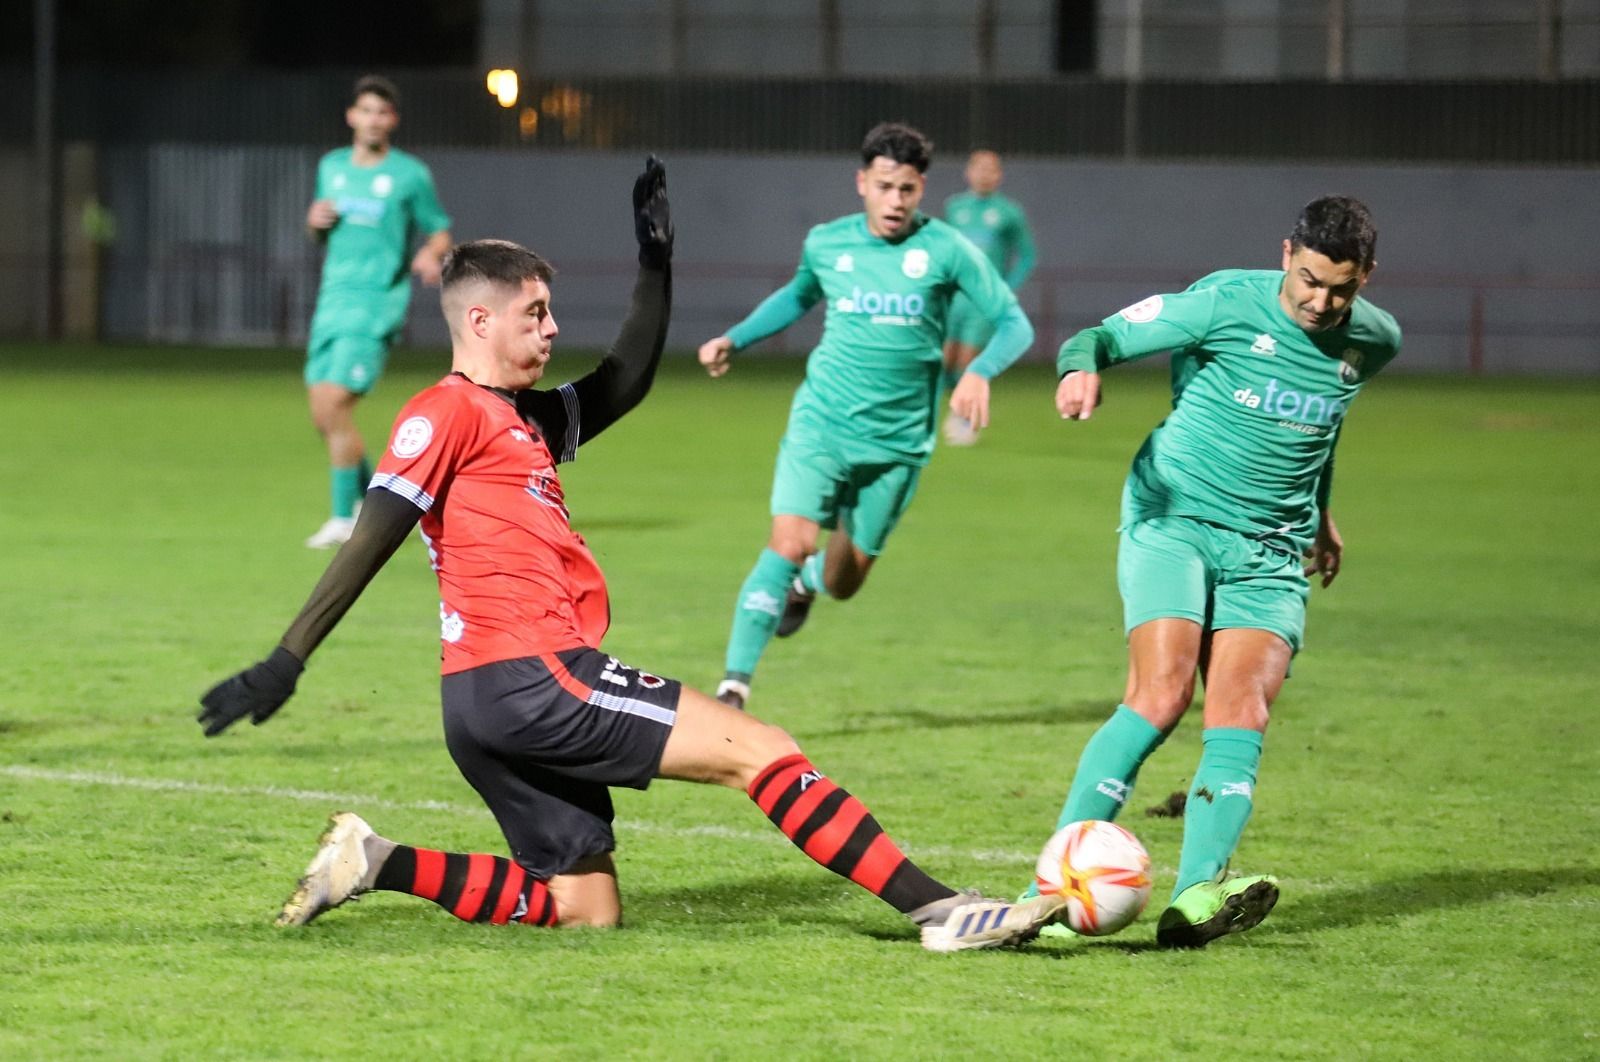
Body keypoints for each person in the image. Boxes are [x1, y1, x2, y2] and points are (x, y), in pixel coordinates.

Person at [197, 159, 1063, 952]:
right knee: (760, 748)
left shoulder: (523, 417)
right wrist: (286, 660)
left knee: (584, 908)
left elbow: (624, 378)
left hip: (483, 701)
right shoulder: (447, 410)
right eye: (535, 314)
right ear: (479, 319)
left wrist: (656, 263)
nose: (551, 328)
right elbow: (373, 535)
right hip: (534, 679)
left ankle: (376, 861)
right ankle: (941, 912)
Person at [1031, 195, 1401, 947]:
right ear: (1286, 254)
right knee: (1162, 695)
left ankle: (1196, 893)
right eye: (1308, 280)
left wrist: (1320, 510)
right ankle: (1051, 894)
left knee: (1242, 711)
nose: (1320, 302)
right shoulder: (1223, 302)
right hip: (1176, 518)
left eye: (1340, 289)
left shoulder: (1374, 340)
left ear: (1366, 276)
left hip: (1272, 548)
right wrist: (1078, 370)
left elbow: (1322, 426)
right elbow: (1099, 336)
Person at [698, 123, 1034, 711]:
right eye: (884, 187)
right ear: (862, 183)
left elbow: (1014, 323)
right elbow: (798, 295)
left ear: (921, 188)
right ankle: (733, 689)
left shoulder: (947, 249)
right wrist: (737, 338)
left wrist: (979, 372)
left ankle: (808, 586)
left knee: (844, 581)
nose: (895, 201)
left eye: (907, 189)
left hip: (897, 446)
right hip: (823, 425)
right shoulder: (828, 242)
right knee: (789, 542)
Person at [302, 75, 453, 549]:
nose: (373, 119)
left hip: (375, 304)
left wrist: (431, 253)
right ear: (352, 116)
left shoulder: (409, 175)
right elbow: (320, 232)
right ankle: (380, 503)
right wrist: (313, 222)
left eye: (381, 112)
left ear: (393, 121)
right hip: (332, 300)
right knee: (323, 415)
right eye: (365, 110)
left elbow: (439, 231)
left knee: (334, 405)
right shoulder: (331, 167)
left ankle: (342, 518)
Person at [940, 150, 1037, 446]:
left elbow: (1027, 255)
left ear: (999, 175)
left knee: (968, 360)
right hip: (955, 296)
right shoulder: (955, 207)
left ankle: (965, 418)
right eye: (978, 168)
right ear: (968, 172)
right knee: (944, 359)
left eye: (990, 169)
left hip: (983, 299)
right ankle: (940, 411)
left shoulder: (1009, 212)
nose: (984, 174)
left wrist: (1007, 286)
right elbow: (945, 248)